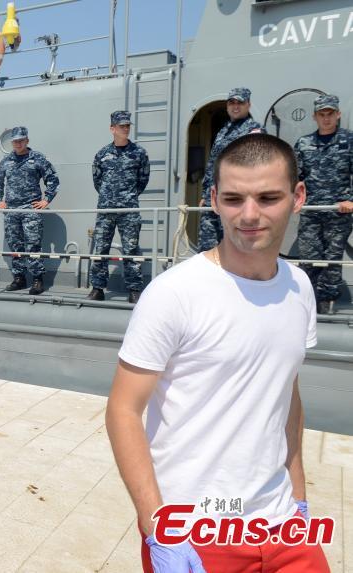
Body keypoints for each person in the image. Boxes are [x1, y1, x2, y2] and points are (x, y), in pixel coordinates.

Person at [106, 133, 330, 572]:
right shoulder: (174, 293)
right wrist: (156, 527)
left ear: (298, 197)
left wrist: (299, 496)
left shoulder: (299, 287)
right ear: (213, 200)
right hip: (196, 532)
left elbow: (286, 393)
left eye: (268, 198)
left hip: (282, 525)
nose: (249, 215)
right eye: (233, 199)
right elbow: (123, 410)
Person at [294, 94, 353, 315]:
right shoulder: (304, 143)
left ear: (338, 115)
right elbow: (295, 176)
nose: (326, 118)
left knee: (332, 260)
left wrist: (351, 201)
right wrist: (294, 198)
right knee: (308, 258)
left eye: (330, 114)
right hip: (311, 212)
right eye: (322, 114)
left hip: (339, 213)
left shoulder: (349, 141)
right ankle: (307, 303)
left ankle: (327, 305)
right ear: (315, 117)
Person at [87, 111, 150, 303]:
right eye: (122, 126)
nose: (125, 129)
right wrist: (110, 197)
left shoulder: (139, 153)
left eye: (127, 125)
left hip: (129, 209)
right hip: (106, 210)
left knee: (131, 249)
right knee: (100, 248)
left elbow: (143, 179)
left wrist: (128, 196)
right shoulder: (102, 154)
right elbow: (97, 180)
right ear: (112, 128)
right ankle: (97, 288)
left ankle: (134, 290)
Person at [0, 126, 60, 295]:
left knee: (33, 245)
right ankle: (19, 279)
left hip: (31, 210)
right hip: (11, 211)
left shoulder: (37, 158)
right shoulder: (6, 161)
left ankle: (37, 280)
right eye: (15, 141)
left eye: (21, 140)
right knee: (15, 245)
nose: (18, 143)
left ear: (27, 140)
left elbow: (53, 179)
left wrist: (46, 200)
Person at [198, 87, 262, 251]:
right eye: (231, 103)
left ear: (248, 105)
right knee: (207, 247)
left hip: (234, 199)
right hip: (213, 199)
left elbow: (254, 166)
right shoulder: (224, 130)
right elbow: (213, 163)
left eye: (240, 103)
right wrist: (205, 194)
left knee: (234, 247)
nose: (235, 106)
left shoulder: (253, 130)